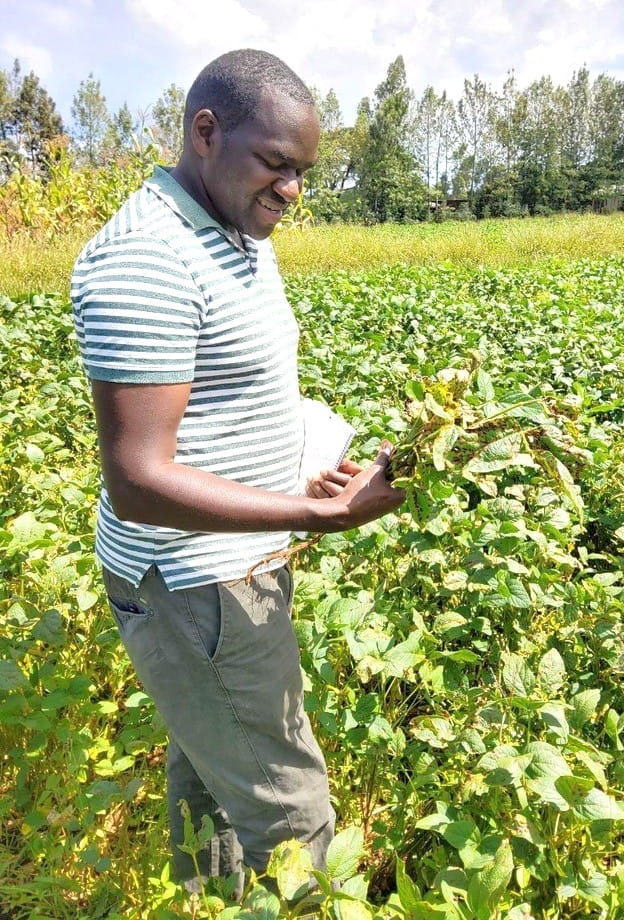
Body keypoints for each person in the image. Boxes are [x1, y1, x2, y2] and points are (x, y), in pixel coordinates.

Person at [70, 49, 404, 895]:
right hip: (197, 589)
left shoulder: (232, 231)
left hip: (235, 564)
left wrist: (304, 479)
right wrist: (318, 518)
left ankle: (212, 905)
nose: (292, 190)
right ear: (206, 133)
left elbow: (229, 395)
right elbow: (139, 477)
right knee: (294, 822)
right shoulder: (147, 257)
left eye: (303, 173)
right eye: (276, 165)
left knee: (214, 788)